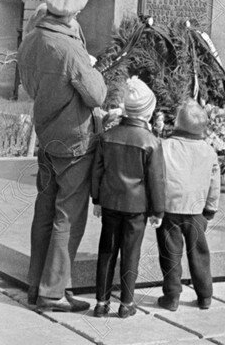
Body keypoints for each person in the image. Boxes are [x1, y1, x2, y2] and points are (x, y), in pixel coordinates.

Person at [17, 0, 107, 311]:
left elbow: (29, 84)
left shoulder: (32, 39)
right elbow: (96, 94)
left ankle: (36, 285)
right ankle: (52, 292)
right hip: (74, 141)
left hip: (47, 135)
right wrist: (93, 69)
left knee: (44, 210)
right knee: (67, 215)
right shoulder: (68, 48)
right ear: (73, 12)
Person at [91, 77, 165, 319]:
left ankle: (101, 303)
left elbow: (97, 171)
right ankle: (126, 303)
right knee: (131, 253)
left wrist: (96, 199)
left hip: (111, 201)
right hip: (137, 206)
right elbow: (156, 180)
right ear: (148, 112)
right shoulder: (151, 142)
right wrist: (158, 210)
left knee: (107, 251)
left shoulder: (107, 136)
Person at [156, 99, 220, 311]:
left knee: (170, 254)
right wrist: (211, 207)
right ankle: (205, 295)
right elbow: (214, 181)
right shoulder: (209, 151)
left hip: (170, 209)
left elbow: (157, 176)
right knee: (199, 253)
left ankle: (172, 296)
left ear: (177, 124)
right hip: (196, 210)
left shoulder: (165, 146)